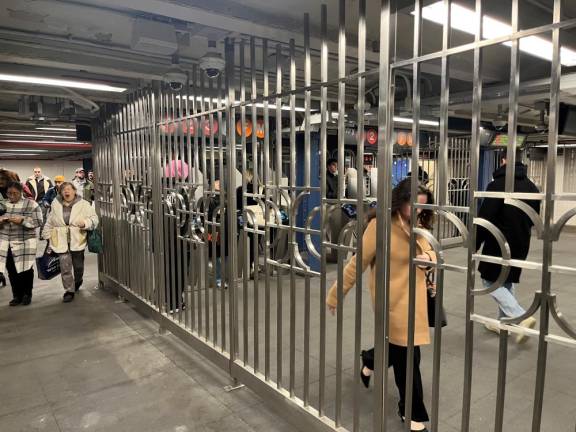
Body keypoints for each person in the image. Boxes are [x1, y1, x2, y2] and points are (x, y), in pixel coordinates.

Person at [327, 179, 436, 432]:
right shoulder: (380, 226)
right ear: (400, 201)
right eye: (414, 206)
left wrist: (427, 258)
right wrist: (335, 295)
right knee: (409, 359)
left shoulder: (418, 224)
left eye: (423, 207)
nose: (418, 211)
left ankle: (369, 361)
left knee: (397, 349)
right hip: (393, 303)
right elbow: (357, 264)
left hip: (416, 301)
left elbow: (432, 252)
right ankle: (411, 412)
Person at [476, 154, 540, 343]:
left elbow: (484, 219)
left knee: (489, 281)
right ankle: (504, 323)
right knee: (506, 281)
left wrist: (475, 242)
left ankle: (520, 317)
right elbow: (533, 216)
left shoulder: (497, 185)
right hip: (521, 242)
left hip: (499, 243)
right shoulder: (531, 186)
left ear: (503, 160)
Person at [42, 182, 99, 303]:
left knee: (78, 266)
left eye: (68, 189)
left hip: (77, 239)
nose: (66, 191)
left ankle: (78, 280)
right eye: (63, 190)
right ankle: (69, 290)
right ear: (60, 192)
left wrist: (85, 223)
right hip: (60, 240)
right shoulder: (55, 204)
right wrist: (46, 235)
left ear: (74, 191)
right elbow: (50, 221)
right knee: (65, 266)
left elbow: (94, 219)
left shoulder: (84, 204)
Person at [0, 182, 43, 306]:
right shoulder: (3, 205)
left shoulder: (31, 204)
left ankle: (27, 294)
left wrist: (23, 220)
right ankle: (16, 295)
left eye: (15, 193)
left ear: (21, 193)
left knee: (25, 269)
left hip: (25, 242)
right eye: (9, 193)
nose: (12, 196)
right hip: (5, 243)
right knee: (11, 270)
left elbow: (38, 221)